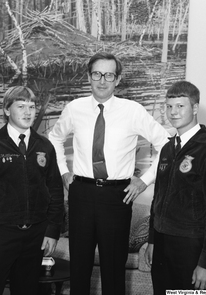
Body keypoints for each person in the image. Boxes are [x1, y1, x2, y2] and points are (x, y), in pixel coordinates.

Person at [48, 52, 170, 295]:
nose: (102, 80)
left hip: (117, 197)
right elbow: (54, 138)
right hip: (80, 193)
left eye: (109, 75)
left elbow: (166, 146)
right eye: (96, 74)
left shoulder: (132, 110)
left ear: (118, 79)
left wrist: (144, 181)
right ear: (89, 77)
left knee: (113, 269)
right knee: (79, 268)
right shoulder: (74, 108)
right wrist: (63, 172)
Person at [0, 86, 64, 295]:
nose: (28, 112)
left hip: (35, 236)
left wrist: (52, 229)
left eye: (32, 107)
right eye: (21, 106)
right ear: (7, 110)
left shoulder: (45, 146)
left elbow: (55, 191)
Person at [145, 81, 206, 293]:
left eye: (180, 106)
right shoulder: (167, 148)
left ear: (194, 108)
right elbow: (158, 199)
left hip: (191, 246)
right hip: (163, 243)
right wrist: (152, 241)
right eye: (169, 106)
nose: (173, 112)